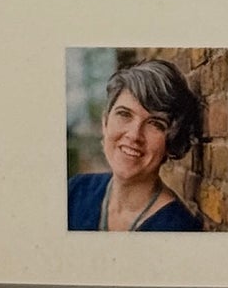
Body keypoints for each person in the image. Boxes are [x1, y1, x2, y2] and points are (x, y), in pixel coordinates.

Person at [68, 57, 206, 232]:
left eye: (155, 123)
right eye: (124, 114)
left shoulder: (179, 229)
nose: (134, 135)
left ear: (172, 141)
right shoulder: (74, 192)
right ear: (105, 122)